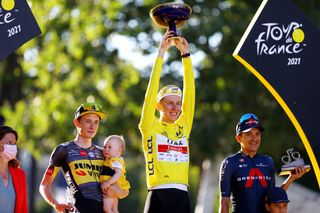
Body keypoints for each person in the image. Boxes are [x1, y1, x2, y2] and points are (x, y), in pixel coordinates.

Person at [139, 29, 195, 213]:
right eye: (169, 103)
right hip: (157, 195)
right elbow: (150, 92)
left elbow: (190, 92)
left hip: (182, 195)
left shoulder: (183, 124)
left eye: (178, 104)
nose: (175, 108)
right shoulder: (150, 125)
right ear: (158, 106)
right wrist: (161, 53)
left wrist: (185, 55)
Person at [39, 103, 127, 213]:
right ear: (77, 122)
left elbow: (123, 187)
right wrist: (56, 204)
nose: (92, 126)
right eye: (88, 121)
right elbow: (44, 185)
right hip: (80, 208)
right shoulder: (63, 150)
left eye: (96, 122)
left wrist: (120, 191)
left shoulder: (105, 153)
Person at [219, 113, 308, 213]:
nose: (254, 138)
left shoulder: (268, 161)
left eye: (257, 134)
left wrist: (291, 178)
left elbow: (273, 197)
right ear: (239, 138)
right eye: (249, 134)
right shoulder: (230, 163)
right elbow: (224, 202)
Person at [0, 125, 28, 213]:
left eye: (14, 143)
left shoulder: (20, 175)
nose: (13, 147)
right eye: (9, 142)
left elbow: (23, 208)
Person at [100, 135, 130, 213]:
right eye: (105, 147)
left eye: (109, 147)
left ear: (118, 151)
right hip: (113, 187)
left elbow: (118, 174)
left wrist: (108, 183)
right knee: (114, 209)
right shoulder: (111, 160)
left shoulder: (115, 161)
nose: (106, 149)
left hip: (111, 186)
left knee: (107, 209)